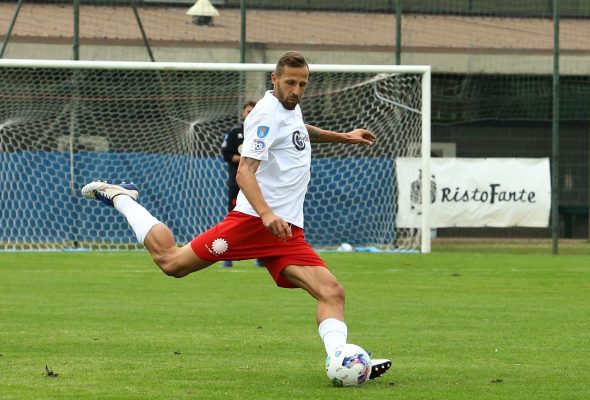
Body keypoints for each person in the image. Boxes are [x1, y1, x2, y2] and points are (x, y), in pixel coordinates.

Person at [81, 50, 391, 382]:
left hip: (285, 231)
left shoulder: (290, 108)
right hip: (254, 223)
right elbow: (245, 172)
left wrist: (343, 136)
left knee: (332, 292)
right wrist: (266, 213)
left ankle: (342, 359)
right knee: (172, 263)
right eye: (290, 83)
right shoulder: (264, 115)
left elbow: (298, 128)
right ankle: (122, 197)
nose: (296, 90)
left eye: (302, 84)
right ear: (274, 80)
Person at [220, 100, 261, 268]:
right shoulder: (234, 131)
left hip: (258, 184)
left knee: (259, 219)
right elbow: (226, 154)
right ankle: (227, 256)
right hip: (237, 183)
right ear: (244, 113)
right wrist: (245, 159)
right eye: (248, 111)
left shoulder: (263, 132)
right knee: (233, 220)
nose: (250, 114)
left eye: (253, 111)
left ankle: (261, 256)